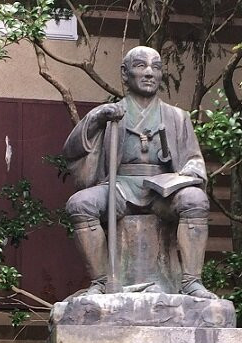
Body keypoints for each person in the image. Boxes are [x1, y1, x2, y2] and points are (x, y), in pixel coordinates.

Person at [63, 45, 216, 299]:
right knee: (80, 205)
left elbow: (194, 161)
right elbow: (71, 150)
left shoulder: (177, 117)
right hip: (119, 187)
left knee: (196, 200)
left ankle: (191, 282)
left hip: (162, 193)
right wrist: (97, 117)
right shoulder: (111, 114)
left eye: (156, 67)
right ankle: (101, 281)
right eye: (140, 66)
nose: (149, 73)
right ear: (125, 74)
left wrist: (186, 175)